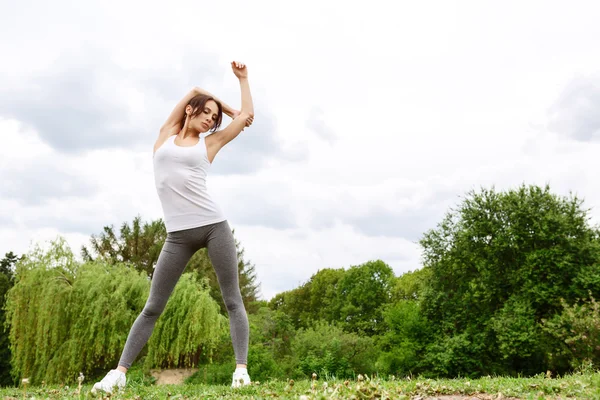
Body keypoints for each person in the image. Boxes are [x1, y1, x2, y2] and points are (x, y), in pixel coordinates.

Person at [91, 61, 255, 394]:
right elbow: (195, 90)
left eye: (214, 117)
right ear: (191, 111)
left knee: (232, 301)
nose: (211, 119)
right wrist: (223, 104)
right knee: (153, 306)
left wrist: (243, 81)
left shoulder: (208, 144)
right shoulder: (165, 135)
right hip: (177, 235)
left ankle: (240, 370)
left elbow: (247, 116)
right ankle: (118, 375)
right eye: (207, 113)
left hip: (213, 226)